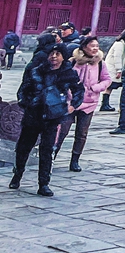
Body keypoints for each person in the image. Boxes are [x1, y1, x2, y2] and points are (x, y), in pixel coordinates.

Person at [11, 43, 83, 196]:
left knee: (47, 150)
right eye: (52, 53)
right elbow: (23, 90)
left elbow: (78, 90)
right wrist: (28, 103)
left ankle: (43, 183)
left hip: (53, 117)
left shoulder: (68, 73)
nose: (54, 57)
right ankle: (17, 174)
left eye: (58, 54)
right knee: (23, 148)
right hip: (33, 115)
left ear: (64, 56)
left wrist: (72, 106)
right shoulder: (36, 71)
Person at [55, 36, 110, 173]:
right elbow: (62, 78)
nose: (95, 48)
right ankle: (51, 156)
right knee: (62, 131)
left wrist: (96, 88)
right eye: (92, 45)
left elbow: (107, 79)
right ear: (84, 47)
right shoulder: (73, 62)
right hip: (71, 102)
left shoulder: (100, 63)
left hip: (89, 102)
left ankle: (75, 160)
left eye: (97, 46)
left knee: (82, 133)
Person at [100, 27, 125, 112]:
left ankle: (105, 104)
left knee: (110, 87)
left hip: (112, 68)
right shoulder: (119, 44)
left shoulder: (120, 43)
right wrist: (119, 70)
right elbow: (117, 57)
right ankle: (105, 104)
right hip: (113, 68)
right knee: (111, 86)